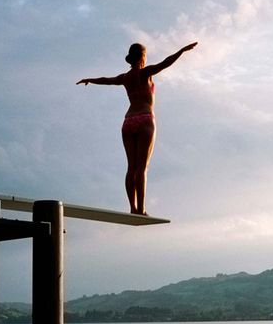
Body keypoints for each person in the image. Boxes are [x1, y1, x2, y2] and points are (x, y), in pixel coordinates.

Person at [77, 41, 197, 215]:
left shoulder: (125, 78)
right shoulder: (146, 72)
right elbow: (166, 62)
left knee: (131, 167)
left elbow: (107, 80)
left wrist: (90, 80)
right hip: (145, 119)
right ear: (142, 57)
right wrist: (182, 51)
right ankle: (141, 209)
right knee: (142, 168)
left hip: (128, 121)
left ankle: (132, 208)